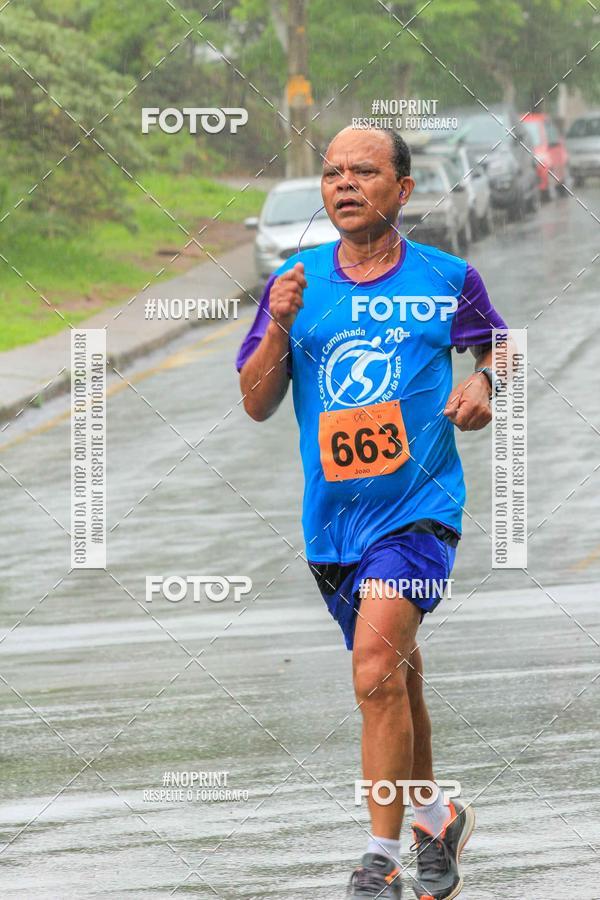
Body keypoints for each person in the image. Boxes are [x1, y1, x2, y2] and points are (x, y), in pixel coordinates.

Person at [236, 125, 508, 899]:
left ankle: (378, 860)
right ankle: (436, 816)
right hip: (332, 526)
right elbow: (256, 402)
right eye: (332, 173)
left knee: (375, 668)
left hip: (419, 512)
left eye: (363, 171)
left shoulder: (447, 277)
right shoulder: (295, 284)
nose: (344, 184)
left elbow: (500, 347)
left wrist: (487, 381)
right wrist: (278, 323)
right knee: (395, 677)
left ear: (403, 189)